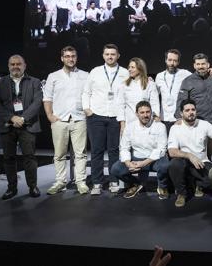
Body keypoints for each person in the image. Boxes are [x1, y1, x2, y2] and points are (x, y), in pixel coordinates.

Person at [0, 55, 43, 199]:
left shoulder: (35, 82)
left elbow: (37, 103)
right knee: (8, 158)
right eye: (12, 64)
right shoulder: (1, 83)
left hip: (28, 125)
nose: (15, 66)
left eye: (18, 64)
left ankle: (33, 187)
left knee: (30, 157)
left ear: (24, 65)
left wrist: (22, 118)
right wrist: (11, 117)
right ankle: (11, 188)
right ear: (8, 66)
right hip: (7, 125)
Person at [82, 44, 129, 195]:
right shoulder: (95, 72)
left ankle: (114, 181)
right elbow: (86, 92)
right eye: (107, 54)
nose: (110, 56)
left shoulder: (125, 73)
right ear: (103, 56)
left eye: (113, 54)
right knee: (96, 151)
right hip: (96, 116)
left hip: (116, 116)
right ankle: (97, 182)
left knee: (114, 150)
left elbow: (130, 92)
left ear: (118, 56)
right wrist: (87, 110)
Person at [43, 46, 90, 195]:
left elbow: (90, 95)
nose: (70, 59)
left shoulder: (85, 75)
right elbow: (47, 98)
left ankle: (80, 182)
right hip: (60, 119)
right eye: (67, 56)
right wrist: (50, 116)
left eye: (73, 56)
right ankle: (60, 181)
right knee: (59, 154)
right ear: (62, 58)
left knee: (80, 153)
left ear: (76, 58)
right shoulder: (53, 76)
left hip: (79, 118)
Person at [110, 101, 170, 199]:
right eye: (142, 112)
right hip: (136, 158)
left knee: (165, 165)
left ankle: (162, 187)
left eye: (148, 112)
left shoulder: (160, 126)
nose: (145, 115)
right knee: (116, 169)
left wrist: (143, 163)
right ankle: (135, 184)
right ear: (136, 114)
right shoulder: (129, 127)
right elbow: (124, 147)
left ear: (151, 112)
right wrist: (128, 163)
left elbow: (161, 149)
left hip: (154, 160)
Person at [167, 99, 212, 207]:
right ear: (181, 113)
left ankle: (196, 184)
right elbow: (172, 152)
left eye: (193, 109)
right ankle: (182, 194)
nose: (191, 112)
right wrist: (189, 156)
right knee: (174, 164)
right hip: (184, 162)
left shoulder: (204, 124)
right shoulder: (175, 128)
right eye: (187, 110)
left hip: (202, 162)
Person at [175, 53, 212, 127]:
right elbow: (181, 101)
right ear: (194, 65)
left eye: (203, 64)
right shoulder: (187, 81)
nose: (200, 66)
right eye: (198, 64)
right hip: (196, 125)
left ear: (208, 65)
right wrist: (179, 118)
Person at [116, 57, 160, 131]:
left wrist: (156, 117)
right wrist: (122, 124)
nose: (129, 69)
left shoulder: (150, 84)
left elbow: (154, 103)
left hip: (147, 122)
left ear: (140, 68)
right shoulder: (124, 85)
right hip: (129, 122)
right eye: (129, 67)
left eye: (132, 67)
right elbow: (120, 105)